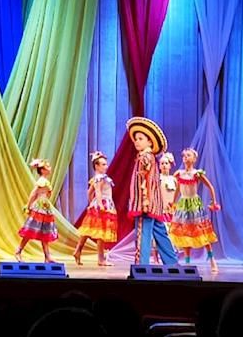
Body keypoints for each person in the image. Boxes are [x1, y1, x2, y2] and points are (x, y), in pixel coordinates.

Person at [126, 117, 178, 265]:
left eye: (140, 139)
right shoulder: (151, 157)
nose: (137, 142)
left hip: (146, 204)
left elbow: (144, 182)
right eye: (136, 139)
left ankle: (141, 265)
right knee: (160, 233)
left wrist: (145, 202)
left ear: (150, 142)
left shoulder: (144, 158)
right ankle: (172, 263)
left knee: (143, 233)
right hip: (154, 204)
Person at [169, 147, 221, 272]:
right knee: (185, 233)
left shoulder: (197, 174)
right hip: (183, 205)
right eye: (184, 155)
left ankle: (212, 260)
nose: (185, 157)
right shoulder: (179, 174)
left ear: (194, 159)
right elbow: (177, 189)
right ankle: (187, 263)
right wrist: (173, 202)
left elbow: (210, 187)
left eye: (188, 155)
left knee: (202, 232)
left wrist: (213, 201)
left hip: (194, 205)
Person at [73, 151, 118, 266]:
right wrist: (100, 204)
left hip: (97, 204)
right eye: (103, 164)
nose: (106, 166)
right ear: (96, 166)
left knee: (89, 229)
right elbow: (97, 191)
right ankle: (100, 259)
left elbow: (89, 192)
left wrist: (92, 204)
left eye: (106, 164)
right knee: (101, 232)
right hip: (103, 204)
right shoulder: (100, 178)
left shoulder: (97, 178)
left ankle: (78, 250)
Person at [14, 159, 58, 262]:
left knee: (44, 232)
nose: (50, 168)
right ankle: (18, 251)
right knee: (31, 230)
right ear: (42, 170)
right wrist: (28, 206)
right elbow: (34, 193)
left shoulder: (45, 181)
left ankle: (47, 256)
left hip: (45, 207)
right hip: (40, 207)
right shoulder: (42, 181)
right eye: (47, 167)